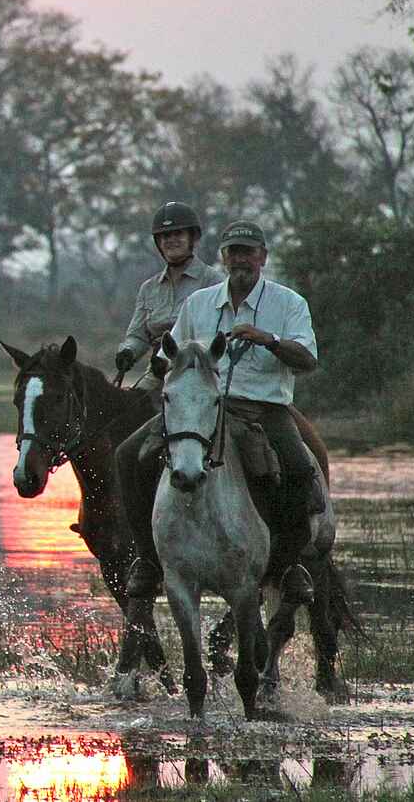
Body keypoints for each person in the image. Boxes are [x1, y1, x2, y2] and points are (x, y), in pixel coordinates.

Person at [113, 219, 324, 605]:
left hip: (263, 408)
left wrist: (269, 340)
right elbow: (170, 356)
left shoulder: (288, 303)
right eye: (233, 252)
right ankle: (148, 560)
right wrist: (156, 374)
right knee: (127, 456)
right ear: (223, 257)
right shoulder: (199, 304)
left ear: (262, 256)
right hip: (199, 408)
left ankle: (290, 565)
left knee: (298, 467)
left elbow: (308, 359)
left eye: (248, 252)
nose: (240, 259)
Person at [114, 201, 225, 390]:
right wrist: (128, 352)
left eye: (178, 234)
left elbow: (220, 334)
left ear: (193, 238)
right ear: (158, 242)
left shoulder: (214, 281)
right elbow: (138, 336)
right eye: (165, 235)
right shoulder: (149, 288)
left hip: (198, 372)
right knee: (127, 405)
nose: (171, 240)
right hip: (157, 372)